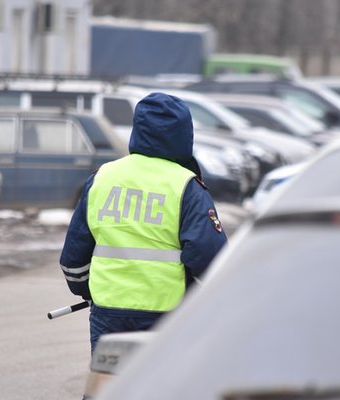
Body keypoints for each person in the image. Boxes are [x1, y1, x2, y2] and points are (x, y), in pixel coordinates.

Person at [59, 92, 228, 351]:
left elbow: (74, 258)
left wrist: (88, 292)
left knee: (109, 385)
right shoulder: (186, 186)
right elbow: (209, 259)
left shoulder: (102, 178)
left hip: (108, 314)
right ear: (185, 135)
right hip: (166, 316)